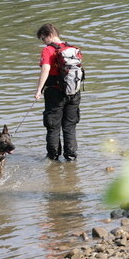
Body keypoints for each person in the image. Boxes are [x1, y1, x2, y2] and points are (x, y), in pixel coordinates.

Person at [34, 23, 81, 161]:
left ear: (49, 35)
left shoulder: (48, 50)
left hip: (55, 93)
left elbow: (45, 70)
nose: (43, 42)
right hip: (74, 92)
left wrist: (38, 90)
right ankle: (71, 158)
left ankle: (53, 159)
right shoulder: (72, 48)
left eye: (43, 39)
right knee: (70, 127)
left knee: (53, 127)